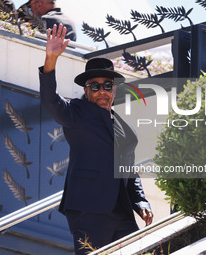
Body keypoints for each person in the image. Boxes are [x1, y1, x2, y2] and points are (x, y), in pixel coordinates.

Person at [39, 24, 153, 254]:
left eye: (107, 85)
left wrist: (140, 201)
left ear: (115, 90)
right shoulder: (77, 112)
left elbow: (129, 171)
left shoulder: (125, 128)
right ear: (87, 90)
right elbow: (50, 100)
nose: (102, 90)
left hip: (122, 211)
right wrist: (51, 60)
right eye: (95, 86)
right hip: (88, 210)